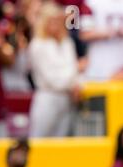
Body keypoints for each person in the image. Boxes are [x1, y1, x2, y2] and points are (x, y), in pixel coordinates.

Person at [28, 2, 79, 137]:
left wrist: (76, 83)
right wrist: (75, 74)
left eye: (58, 21)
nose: (55, 25)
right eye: (52, 21)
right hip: (47, 97)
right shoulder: (38, 45)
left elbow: (73, 72)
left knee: (61, 141)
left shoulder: (67, 43)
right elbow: (52, 79)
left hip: (67, 98)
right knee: (39, 140)